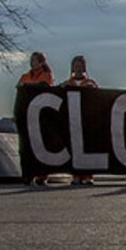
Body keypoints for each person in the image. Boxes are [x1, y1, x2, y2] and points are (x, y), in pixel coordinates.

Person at [18, 52, 56, 186]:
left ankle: (42, 175)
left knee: (42, 144)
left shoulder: (46, 75)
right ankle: (28, 174)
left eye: (34, 60)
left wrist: (27, 87)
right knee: (26, 146)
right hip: (27, 115)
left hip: (41, 115)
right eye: (31, 60)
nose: (32, 62)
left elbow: (43, 87)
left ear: (41, 62)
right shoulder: (25, 76)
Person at [63, 55, 99, 186]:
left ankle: (88, 176)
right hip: (72, 121)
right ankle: (76, 175)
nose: (78, 69)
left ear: (84, 68)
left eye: (80, 66)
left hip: (86, 120)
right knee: (74, 148)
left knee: (88, 148)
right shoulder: (67, 84)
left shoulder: (91, 83)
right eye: (76, 66)